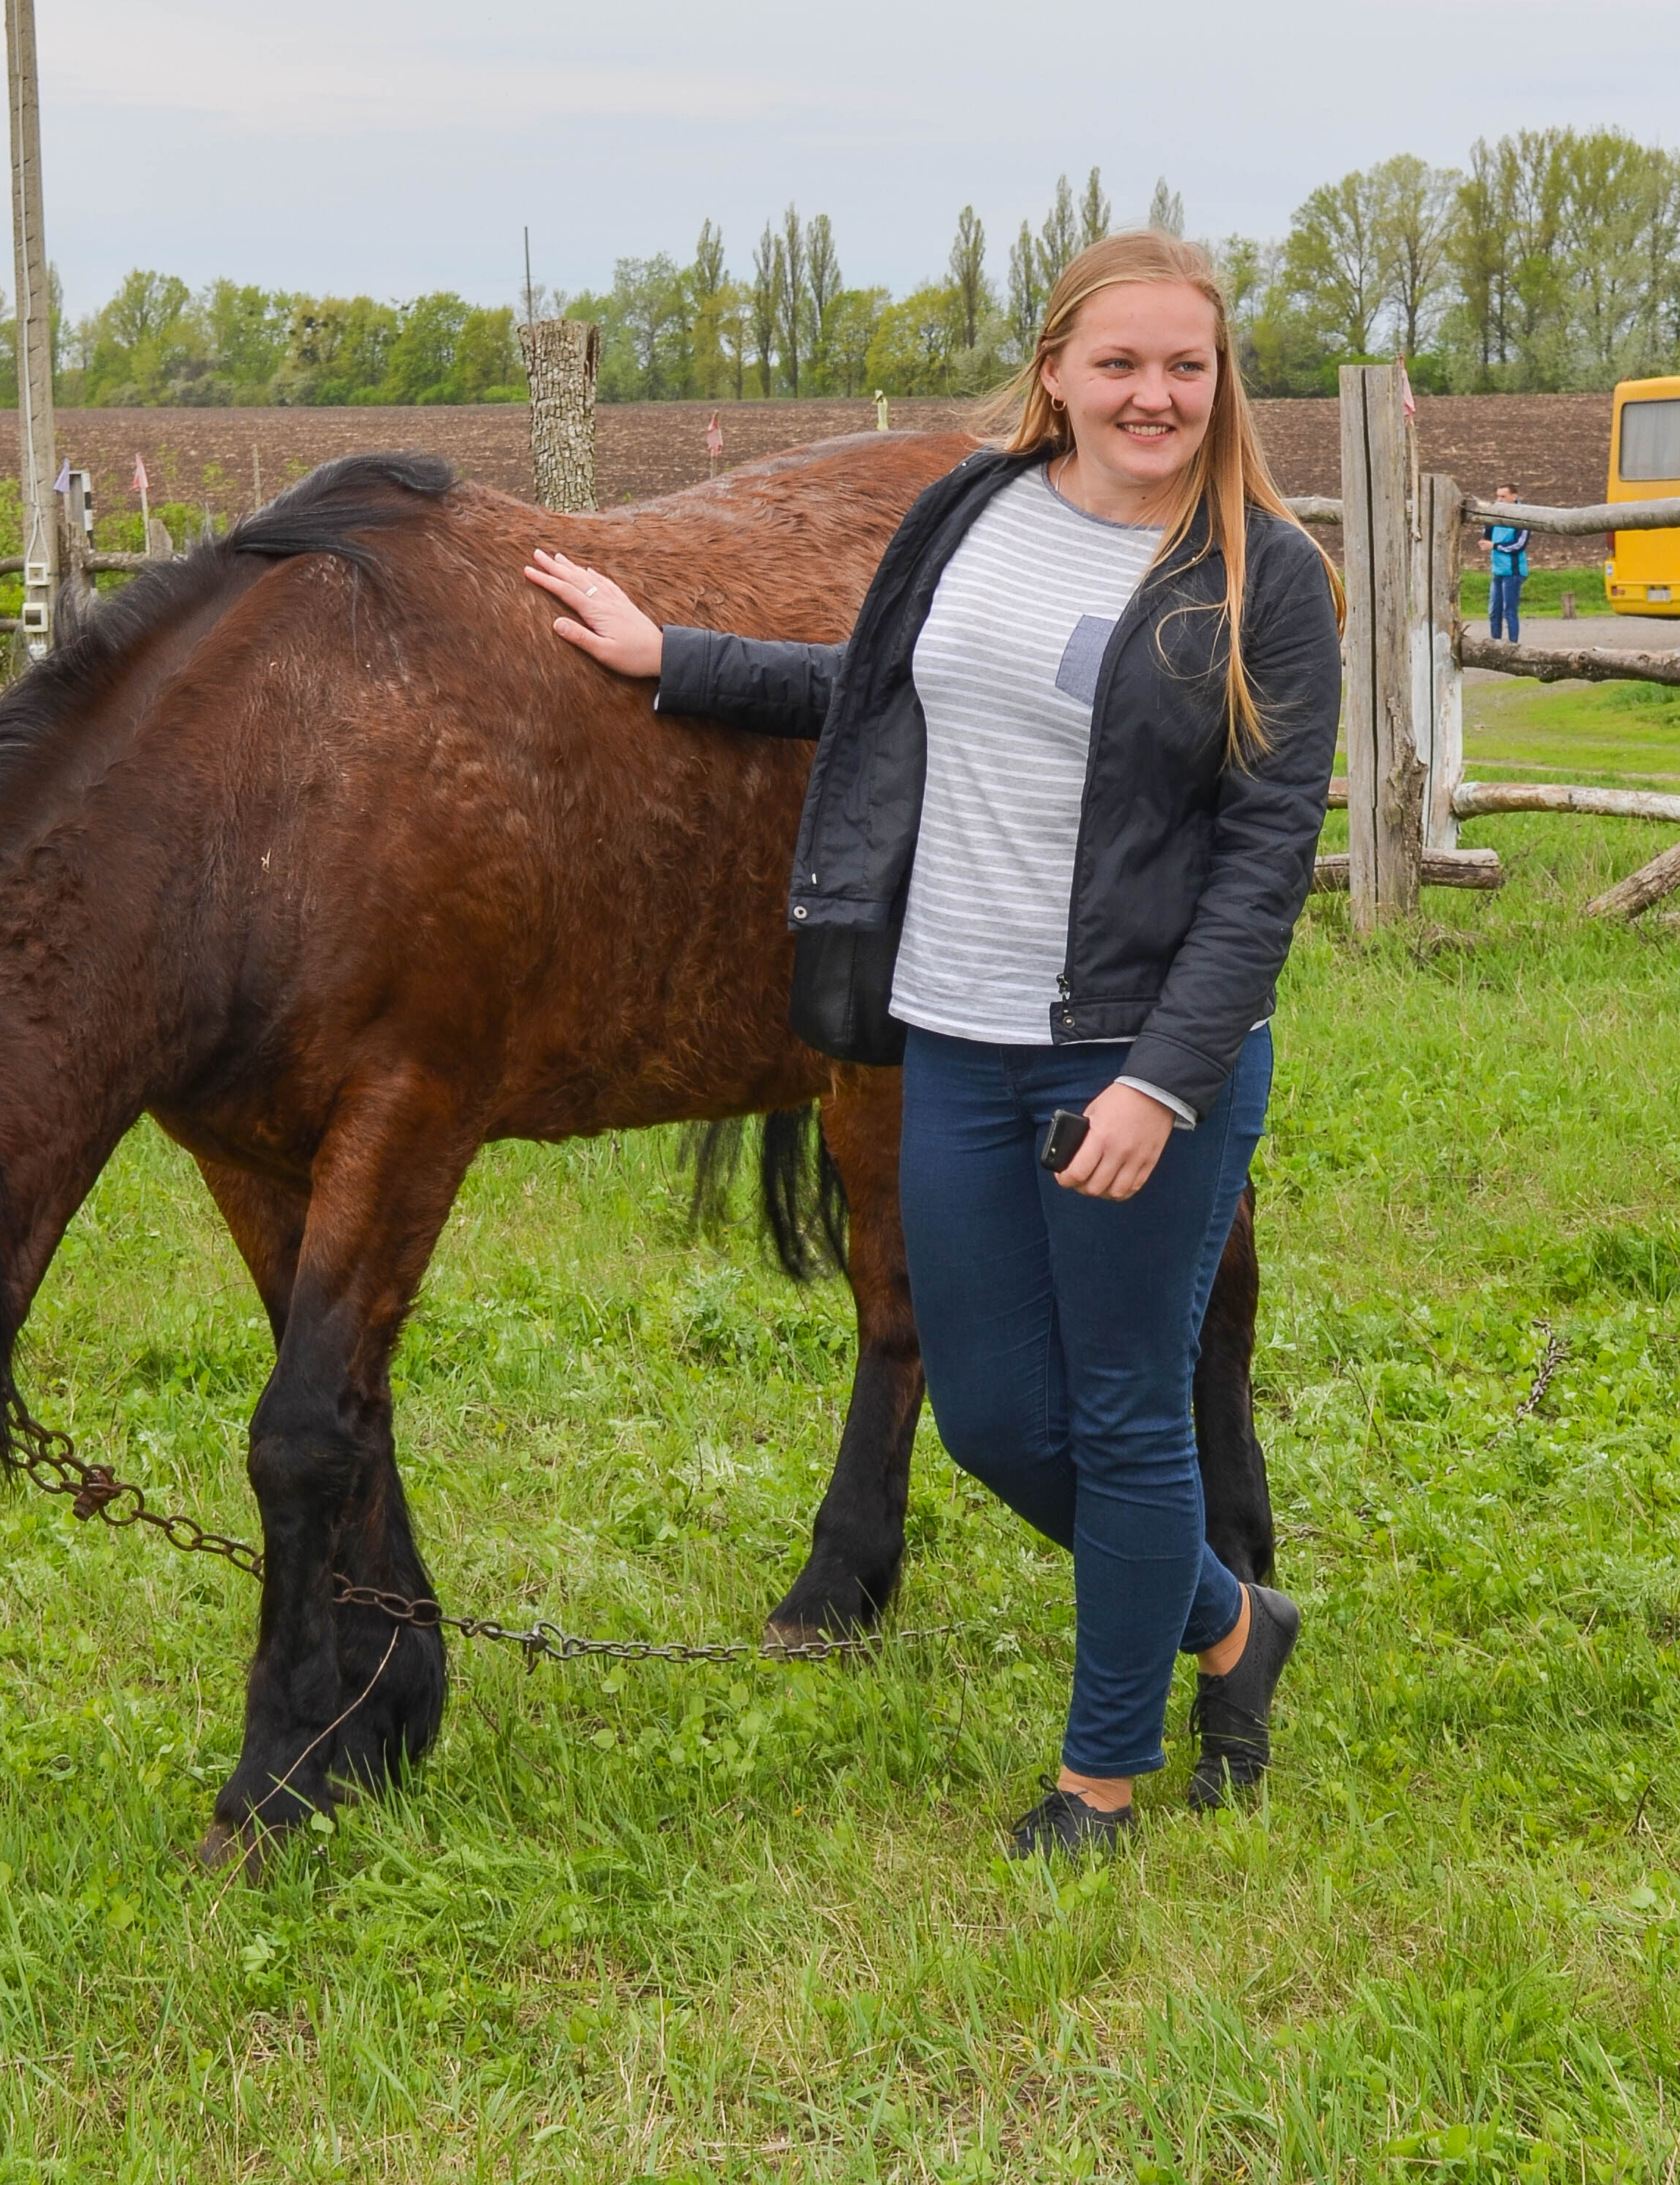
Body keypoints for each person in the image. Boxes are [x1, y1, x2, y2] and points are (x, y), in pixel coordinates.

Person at [525, 230, 1343, 1859]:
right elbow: (880, 685)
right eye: (1119, 362)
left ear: (1220, 380)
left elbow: (1264, 867)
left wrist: (1159, 1082)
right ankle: (1230, 1624)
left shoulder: (1262, 576)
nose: (1154, 394)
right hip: (952, 1036)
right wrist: (672, 655)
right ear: (1056, 373)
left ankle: (1097, 1783)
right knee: (990, 1418)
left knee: (1121, 1412)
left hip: (1131, 1051)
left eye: (1185, 365)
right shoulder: (973, 509)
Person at [1486, 488, 1530, 643]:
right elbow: (1487, 534)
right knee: (1494, 611)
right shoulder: (1496, 514)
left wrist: (1495, 546)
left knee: (1509, 611)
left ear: (1514, 497)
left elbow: (1519, 544)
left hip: (1513, 571)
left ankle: (1512, 645)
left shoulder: (1523, 516)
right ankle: (1495, 645)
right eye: (1498, 496)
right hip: (1498, 570)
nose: (1500, 500)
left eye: (1503, 496)